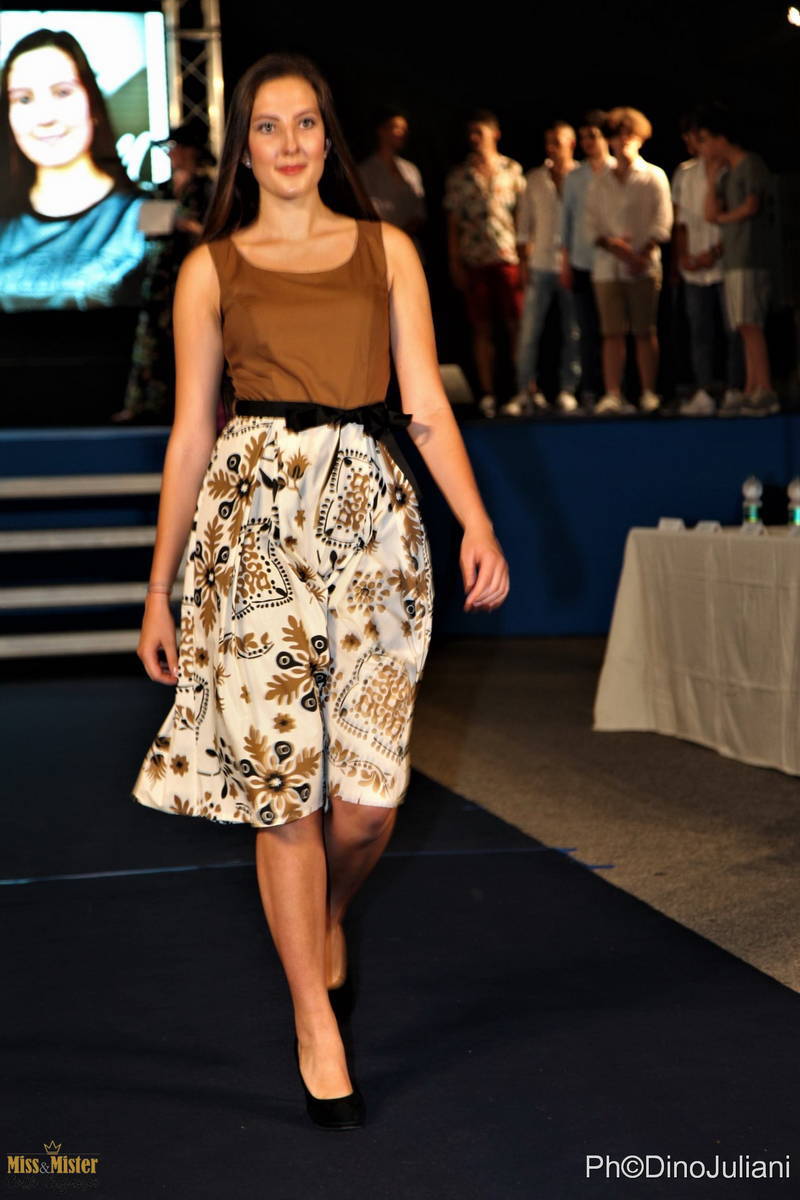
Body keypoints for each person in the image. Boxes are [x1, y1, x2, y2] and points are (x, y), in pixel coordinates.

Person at [130, 53, 509, 1132]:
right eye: (268, 126)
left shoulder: (387, 251)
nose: (289, 143)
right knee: (285, 794)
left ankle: (326, 910)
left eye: (305, 123)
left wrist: (476, 521)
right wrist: (160, 587)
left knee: (370, 799)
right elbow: (190, 433)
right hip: (250, 526)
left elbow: (424, 400)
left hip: (374, 521)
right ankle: (313, 1019)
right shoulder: (211, 268)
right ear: (243, 149)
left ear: (326, 138)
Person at [0, 28, 147, 311]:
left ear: (93, 103)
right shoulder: (5, 222)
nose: (45, 117)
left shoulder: (143, 215)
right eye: (24, 99)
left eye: (62, 92)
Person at [112, 122, 217, 423]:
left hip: (193, 275)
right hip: (161, 277)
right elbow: (147, 226)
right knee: (150, 341)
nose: (171, 154)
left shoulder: (207, 188)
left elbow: (215, 232)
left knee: (193, 342)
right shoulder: (163, 189)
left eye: (176, 148)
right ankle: (142, 404)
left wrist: (186, 225)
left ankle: (193, 407)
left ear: (191, 151)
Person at [584, 106, 672, 414]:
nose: (622, 142)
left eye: (628, 136)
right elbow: (591, 226)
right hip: (608, 268)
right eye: (617, 136)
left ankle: (648, 391)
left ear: (640, 139)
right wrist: (615, 246)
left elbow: (663, 222)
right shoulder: (599, 181)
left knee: (644, 330)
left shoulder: (653, 176)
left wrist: (640, 254)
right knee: (612, 332)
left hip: (643, 266)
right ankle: (613, 393)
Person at [697, 104, 779, 416]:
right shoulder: (726, 173)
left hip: (751, 256)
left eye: (706, 140)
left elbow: (751, 206)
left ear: (721, 138)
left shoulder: (750, 164)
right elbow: (709, 214)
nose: (703, 148)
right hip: (733, 259)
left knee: (752, 324)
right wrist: (710, 178)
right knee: (742, 325)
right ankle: (751, 388)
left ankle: (765, 389)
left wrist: (724, 218)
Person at [443, 108, 526, 418]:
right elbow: (453, 224)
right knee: (482, 328)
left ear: (495, 134)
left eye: (480, 132)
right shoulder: (460, 175)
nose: (475, 138)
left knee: (515, 325)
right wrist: (455, 262)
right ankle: (488, 393)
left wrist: (525, 260)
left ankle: (521, 389)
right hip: (475, 259)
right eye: (472, 133)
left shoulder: (511, 170)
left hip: (507, 257)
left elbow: (522, 218)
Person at [502, 120, 580, 417]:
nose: (552, 148)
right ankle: (524, 390)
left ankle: (568, 389)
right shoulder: (534, 178)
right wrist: (523, 263)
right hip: (540, 264)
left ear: (571, 144)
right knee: (529, 331)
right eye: (549, 143)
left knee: (573, 330)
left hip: (573, 265)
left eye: (557, 142)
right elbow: (524, 225)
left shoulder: (582, 176)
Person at [671, 114, 744, 416]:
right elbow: (681, 222)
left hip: (725, 262)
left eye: (698, 137)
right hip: (694, 267)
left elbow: (732, 220)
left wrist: (713, 253)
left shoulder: (730, 170)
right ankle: (703, 389)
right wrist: (684, 257)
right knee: (699, 331)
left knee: (733, 329)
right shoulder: (684, 173)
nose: (692, 143)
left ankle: (735, 389)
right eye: (689, 137)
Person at [560, 111, 615, 408]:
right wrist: (565, 262)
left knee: (614, 329)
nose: (587, 142)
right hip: (582, 261)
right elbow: (566, 221)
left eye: (593, 136)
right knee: (586, 329)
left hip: (613, 263)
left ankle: (616, 390)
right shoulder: (575, 177)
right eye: (583, 137)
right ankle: (591, 389)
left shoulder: (617, 170)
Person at [357, 107, 426, 258]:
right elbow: (367, 211)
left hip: (409, 247)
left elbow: (419, 211)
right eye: (396, 127)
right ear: (381, 130)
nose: (402, 133)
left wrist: (405, 232)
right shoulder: (366, 171)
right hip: (380, 246)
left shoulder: (410, 170)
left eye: (404, 129)